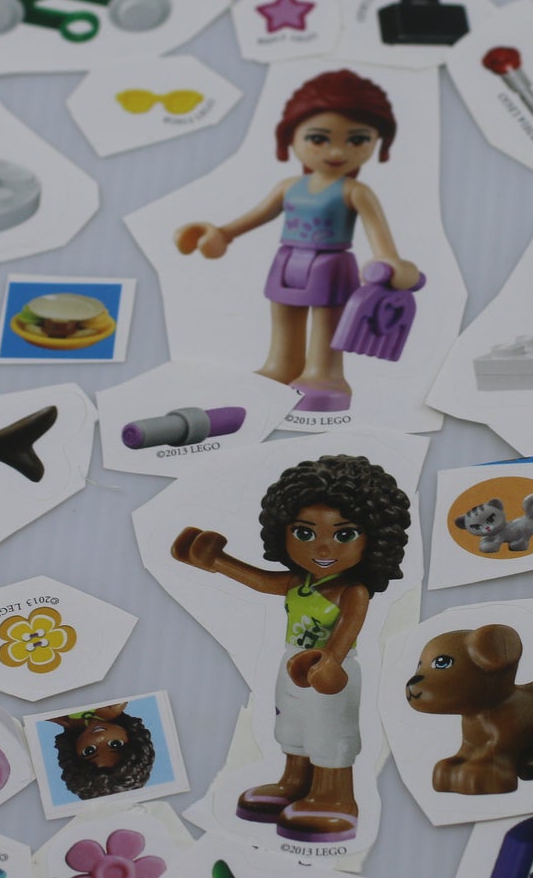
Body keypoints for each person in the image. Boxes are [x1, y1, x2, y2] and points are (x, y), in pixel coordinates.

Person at [169, 454, 411, 843]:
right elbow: (261, 580)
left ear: (376, 538)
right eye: (304, 533)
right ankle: (295, 780)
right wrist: (217, 562)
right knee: (292, 724)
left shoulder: (352, 590)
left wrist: (331, 660)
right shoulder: (300, 581)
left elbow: (348, 628)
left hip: (330, 668)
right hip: (291, 661)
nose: (323, 547)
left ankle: (335, 795)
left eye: (344, 535)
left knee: (330, 728)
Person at [174, 70, 419, 412]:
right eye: (319, 139)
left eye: (357, 140)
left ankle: (325, 375)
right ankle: (282, 366)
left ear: (378, 142)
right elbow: (257, 215)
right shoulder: (289, 187)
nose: (337, 151)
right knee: (283, 315)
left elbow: (381, 241)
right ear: (291, 138)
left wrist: (390, 263)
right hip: (287, 260)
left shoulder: (355, 191)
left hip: (331, 264)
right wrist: (222, 233)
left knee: (327, 321)